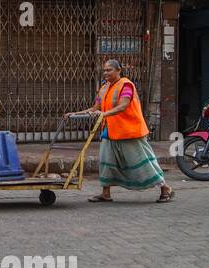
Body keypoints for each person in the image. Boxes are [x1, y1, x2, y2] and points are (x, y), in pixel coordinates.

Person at [66, 59, 175, 203]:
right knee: (106, 161)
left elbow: (123, 106)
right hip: (110, 130)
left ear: (119, 70)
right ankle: (105, 193)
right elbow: (94, 109)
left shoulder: (126, 85)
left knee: (142, 162)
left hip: (130, 131)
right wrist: (75, 114)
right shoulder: (104, 88)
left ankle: (165, 187)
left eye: (109, 70)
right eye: (104, 70)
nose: (106, 73)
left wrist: (104, 114)